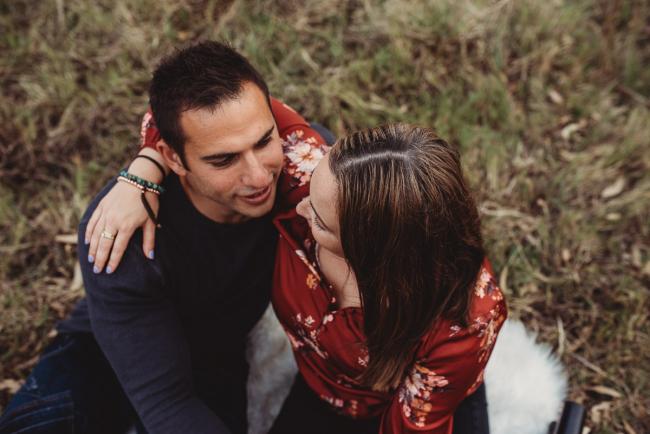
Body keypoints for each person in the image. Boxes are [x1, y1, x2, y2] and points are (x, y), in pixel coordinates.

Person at [83, 121, 507, 433]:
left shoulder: (464, 320)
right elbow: (192, 108)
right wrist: (143, 172)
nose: (300, 209)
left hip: (410, 408)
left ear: (369, 252)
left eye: (319, 219)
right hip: (320, 394)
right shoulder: (305, 175)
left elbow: (409, 428)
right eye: (310, 194)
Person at [0, 41, 330, 434]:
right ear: (173, 158)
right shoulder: (123, 227)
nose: (259, 177)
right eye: (223, 160)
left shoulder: (308, 175)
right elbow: (163, 399)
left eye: (263, 142)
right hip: (104, 357)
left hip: (212, 360)